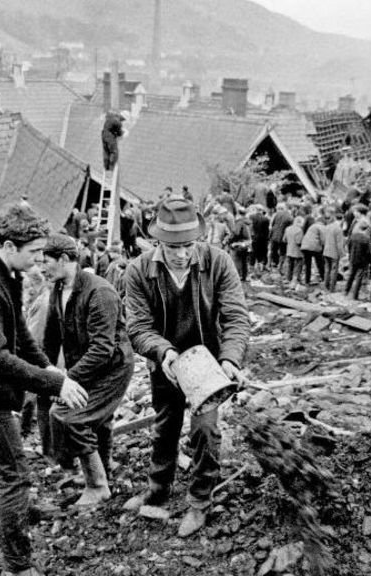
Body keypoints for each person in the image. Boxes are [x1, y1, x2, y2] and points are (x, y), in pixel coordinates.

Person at [0, 204, 88, 576]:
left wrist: (46, 367)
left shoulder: (6, 272)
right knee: (14, 474)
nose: (41, 260)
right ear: (9, 245)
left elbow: (20, 333)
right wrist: (54, 382)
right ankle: (17, 566)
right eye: (35, 252)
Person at [122, 198, 250, 538]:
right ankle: (158, 489)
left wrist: (230, 359)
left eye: (188, 246)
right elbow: (137, 326)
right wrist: (162, 352)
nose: (181, 254)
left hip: (207, 368)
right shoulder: (138, 271)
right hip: (166, 364)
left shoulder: (218, 262)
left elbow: (236, 317)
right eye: (172, 246)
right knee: (165, 427)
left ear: (199, 239)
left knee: (205, 432)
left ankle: (198, 502)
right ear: (156, 241)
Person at [41, 234, 132, 507]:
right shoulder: (58, 289)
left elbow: (103, 348)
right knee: (97, 420)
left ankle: (97, 486)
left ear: (65, 259)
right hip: (87, 367)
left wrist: (68, 381)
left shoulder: (98, 292)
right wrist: (47, 375)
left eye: (47, 262)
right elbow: (51, 337)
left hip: (112, 368)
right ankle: (99, 468)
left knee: (71, 416)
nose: (43, 268)